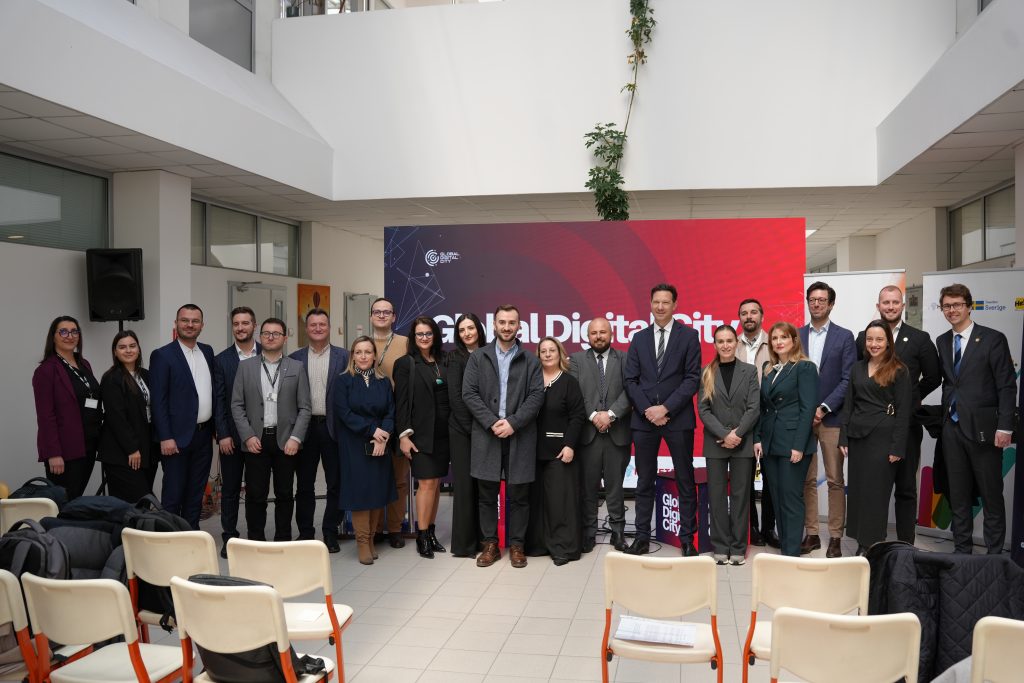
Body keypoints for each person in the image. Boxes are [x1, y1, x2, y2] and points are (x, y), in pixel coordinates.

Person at [855, 286, 940, 544]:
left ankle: (905, 544)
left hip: (905, 425)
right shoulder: (864, 337)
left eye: (895, 302)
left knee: (905, 488)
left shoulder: (920, 338)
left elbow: (934, 377)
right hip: (872, 430)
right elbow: (862, 375)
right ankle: (870, 541)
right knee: (871, 489)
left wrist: (910, 399)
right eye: (885, 302)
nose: (890, 307)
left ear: (903, 305)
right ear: (878, 305)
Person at [936, 283, 1016, 554]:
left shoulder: (993, 339)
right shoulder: (942, 341)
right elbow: (951, 382)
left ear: (969, 306)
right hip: (953, 430)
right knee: (958, 496)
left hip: (985, 431)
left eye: (957, 304)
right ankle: (962, 553)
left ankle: (994, 557)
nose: (952, 310)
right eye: (947, 305)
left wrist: (1005, 426)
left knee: (991, 496)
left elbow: (1006, 385)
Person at [463, 304, 544, 569]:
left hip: (519, 434)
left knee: (519, 495)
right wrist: (491, 422)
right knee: (487, 494)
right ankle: (490, 545)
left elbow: (536, 396)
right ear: (494, 325)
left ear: (519, 326)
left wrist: (513, 423)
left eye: (512, 323)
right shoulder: (479, 357)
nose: (507, 327)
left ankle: (517, 545)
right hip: (487, 435)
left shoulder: (531, 359)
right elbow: (469, 394)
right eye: (502, 322)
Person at [623, 283, 702, 556]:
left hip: (678, 419)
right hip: (644, 421)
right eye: (656, 302)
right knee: (644, 480)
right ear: (650, 303)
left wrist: (665, 408)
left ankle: (688, 539)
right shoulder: (639, 338)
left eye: (665, 302)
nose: (660, 307)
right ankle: (642, 537)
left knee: (685, 479)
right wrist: (648, 410)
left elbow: (692, 379)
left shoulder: (689, 336)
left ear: (675, 305)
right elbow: (630, 380)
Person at [231, 318, 310, 542]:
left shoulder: (296, 367)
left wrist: (296, 438)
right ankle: (256, 540)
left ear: (285, 338)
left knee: (285, 494)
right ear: (260, 336)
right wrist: (247, 436)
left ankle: (282, 540)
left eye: (276, 333)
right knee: (256, 495)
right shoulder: (245, 367)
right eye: (266, 333)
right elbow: (236, 404)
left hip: (286, 440)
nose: (271, 337)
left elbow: (305, 407)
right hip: (256, 439)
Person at [840, 320, 912, 554]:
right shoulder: (857, 368)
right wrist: (843, 437)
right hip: (858, 437)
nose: (874, 344)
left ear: (888, 342)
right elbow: (848, 404)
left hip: (884, 439)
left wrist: (897, 448)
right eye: (870, 339)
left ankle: (871, 543)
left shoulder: (899, 369)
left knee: (876, 494)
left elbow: (903, 413)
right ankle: (860, 539)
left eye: (879, 339)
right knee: (859, 491)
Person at [799, 281, 855, 557]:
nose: (817, 304)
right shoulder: (797, 336)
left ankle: (834, 536)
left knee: (835, 480)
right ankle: (811, 534)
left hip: (831, 419)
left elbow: (848, 379)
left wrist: (823, 407)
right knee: (807, 480)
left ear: (831, 304)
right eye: (813, 299)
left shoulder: (845, 337)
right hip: (804, 422)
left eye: (822, 300)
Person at [754, 322, 818, 557]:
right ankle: (785, 548)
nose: (779, 341)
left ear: (794, 340)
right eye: (774, 338)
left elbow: (808, 409)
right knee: (777, 498)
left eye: (784, 337)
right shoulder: (768, 368)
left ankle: (791, 553)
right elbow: (764, 408)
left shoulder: (805, 367)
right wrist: (758, 437)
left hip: (793, 443)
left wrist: (799, 446)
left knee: (790, 499)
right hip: (770, 443)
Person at [697, 325, 760, 565]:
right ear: (714, 345)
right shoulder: (707, 372)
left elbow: (754, 407)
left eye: (729, 340)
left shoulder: (749, 371)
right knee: (716, 495)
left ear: (736, 343)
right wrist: (725, 434)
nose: (725, 345)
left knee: (740, 496)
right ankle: (720, 546)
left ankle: (738, 547)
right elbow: (703, 409)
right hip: (715, 443)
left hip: (743, 443)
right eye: (720, 341)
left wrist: (737, 434)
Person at [150, 304, 216, 529]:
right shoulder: (162, 355)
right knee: (174, 493)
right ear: (176, 323)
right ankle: (169, 538)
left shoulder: (207, 351)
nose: (190, 325)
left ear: (202, 325)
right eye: (185, 320)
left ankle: (191, 534)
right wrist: (165, 437)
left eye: (195, 321)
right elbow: (158, 401)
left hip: (203, 435)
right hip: (175, 439)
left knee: (196, 491)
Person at [569, 316, 631, 552]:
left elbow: (630, 391)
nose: (598, 336)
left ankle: (618, 533)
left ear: (611, 334)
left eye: (602, 332)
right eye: (594, 333)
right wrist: (595, 416)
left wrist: (611, 414)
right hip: (588, 434)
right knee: (588, 487)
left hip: (618, 433)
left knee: (616, 487)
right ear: (588, 336)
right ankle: (588, 533)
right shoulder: (575, 360)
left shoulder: (625, 359)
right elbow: (575, 394)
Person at [289, 308, 349, 552]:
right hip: (304, 429)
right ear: (306, 328)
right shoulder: (294, 358)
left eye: (321, 324)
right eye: (312, 325)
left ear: (329, 326)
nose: (317, 328)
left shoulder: (344, 357)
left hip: (333, 428)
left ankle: (330, 531)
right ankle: (305, 532)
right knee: (304, 484)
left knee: (336, 483)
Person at [335, 336, 396, 565]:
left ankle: (371, 539)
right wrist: (373, 430)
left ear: (374, 355)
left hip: (380, 443)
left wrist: (384, 436)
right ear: (352, 355)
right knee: (360, 492)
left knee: (378, 491)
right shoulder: (343, 381)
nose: (363, 356)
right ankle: (362, 542)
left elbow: (391, 411)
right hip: (354, 442)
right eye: (358, 352)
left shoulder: (383, 381)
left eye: (367, 352)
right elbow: (345, 414)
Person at [526, 337, 586, 565]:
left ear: (560, 353)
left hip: (560, 452)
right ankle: (539, 544)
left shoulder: (569, 382)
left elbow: (578, 416)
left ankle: (562, 548)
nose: (548, 354)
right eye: (543, 351)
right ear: (538, 355)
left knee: (560, 502)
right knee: (536, 500)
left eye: (552, 350)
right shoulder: (531, 381)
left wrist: (570, 445)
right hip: (531, 452)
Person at [395, 316, 451, 559]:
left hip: (444, 434)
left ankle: (431, 533)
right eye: (420, 334)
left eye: (428, 333)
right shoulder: (406, 363)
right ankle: (421, 535)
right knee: (426, 483)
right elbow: (401, 403)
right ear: (413, 337)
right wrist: (403, 435)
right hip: (419, 435)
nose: (424, 338)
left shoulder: (444, 360)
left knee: (436, 483)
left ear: (435, 335)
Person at [32, 315, 100, 500]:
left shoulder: (84, 364)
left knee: (76, 499)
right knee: (64, 502)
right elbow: (46, 417)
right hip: (65, 450)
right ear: (53, 336)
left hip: (88, 444)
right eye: (63, 331)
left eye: (74, 331)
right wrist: (53, 454)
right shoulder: (46, 371)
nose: (69, 336)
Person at [213, 306, 260, 557]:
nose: (240, 328)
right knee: (230, 489)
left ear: (254, 325)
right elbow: (218, 400)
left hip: (259, 437)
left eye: (245, 323)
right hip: (231, 436)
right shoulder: (222, 360)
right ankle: (229, 538)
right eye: (236, 324)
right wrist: (223, 434)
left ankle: (254, 537)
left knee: (256, 489)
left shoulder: (268, 353)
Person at [369, 297, 410, 548]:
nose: (382, 315)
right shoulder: (362, 344)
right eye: (377, 312)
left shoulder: (405, 343)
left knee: (399, 479)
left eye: (387, 312)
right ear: (371, 316)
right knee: (373, 477)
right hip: (371, 421)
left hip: (399, 418)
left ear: (394, 317)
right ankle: (373, 531)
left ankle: (395, 529)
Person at [736, 298, 777, 548]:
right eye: (744, 313)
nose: (749, 316)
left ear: (762, 315)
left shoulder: (773, 343)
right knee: (745, 478)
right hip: (742, 421)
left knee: (771, 479)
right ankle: (751, 527)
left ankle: (768, 528)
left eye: (753, 312)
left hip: (770, 419)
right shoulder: (732, 344)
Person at [98, 331, 156, 503]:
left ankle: (139, 531)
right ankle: (125, 531)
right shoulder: (111, 378)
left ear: (138, 349)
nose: (128, 350)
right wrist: (132, 449)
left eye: (132, 346)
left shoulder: (145, 374)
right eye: (122, 347)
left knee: (144, 501)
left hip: (146, 450)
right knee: (128, 505)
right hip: (123, 454)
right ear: (115, 352)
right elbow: (117, 418)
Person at [446, 313, 485, 557]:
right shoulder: (454, 357)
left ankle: (486, 539)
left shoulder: (490, 353)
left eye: (471, 328)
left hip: (486, 429)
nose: (467, 333)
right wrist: (473, 429)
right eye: (462, 330)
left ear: (479, 329)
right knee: (464, 487)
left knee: (484, 487)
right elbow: (456, 398)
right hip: (463, 431)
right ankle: (464, 544)